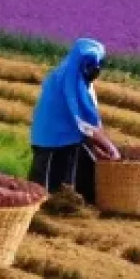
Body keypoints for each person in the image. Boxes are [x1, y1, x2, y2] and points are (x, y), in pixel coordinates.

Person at [29, 38, 119, 203]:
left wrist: (99, 145)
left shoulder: (81, 79)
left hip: (69, 138)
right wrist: (109, 146)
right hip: (52, 141)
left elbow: (92, 116)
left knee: (79, 178)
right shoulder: (68, 80)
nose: (95, 69)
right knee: (47, 193)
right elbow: (84, 124)